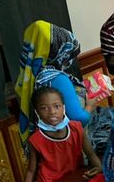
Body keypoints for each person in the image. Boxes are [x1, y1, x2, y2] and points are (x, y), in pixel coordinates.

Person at [16, 21, 104, 150]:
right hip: (71, 145)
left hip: (48, 145)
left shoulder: (28, 77)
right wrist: (90, 106)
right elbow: (78, 120)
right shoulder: (58, 79)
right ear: (56, 50)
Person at [21, 87, 102, 182]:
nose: (52, 112)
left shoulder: (76, 128)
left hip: (73, 180)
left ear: (63, 107)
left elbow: (90, 154)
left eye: (56, 106)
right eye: (44, 108)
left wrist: (99, 167)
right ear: (37, 112)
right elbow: (31, 170)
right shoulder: (36, 139)